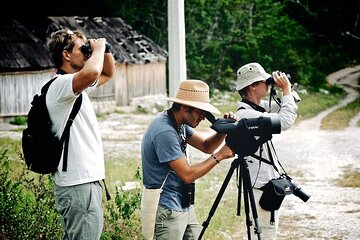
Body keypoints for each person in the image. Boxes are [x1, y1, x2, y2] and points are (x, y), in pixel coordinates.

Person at [141, 79, 235, 240]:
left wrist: (223, 131)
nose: (204, 117)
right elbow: (187, 174)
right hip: (167, 208)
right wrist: (220, 155)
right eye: (201, 112)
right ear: (185, 108)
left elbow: (206, 146)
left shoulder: (179, 124)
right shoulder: (165, 131)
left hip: (182, 203)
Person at [46, 28, 116, 239]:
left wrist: (106, 49)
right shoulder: (61, 85)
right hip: (78, 183)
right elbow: (94, 72)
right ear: (66, 55)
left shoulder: (76, 86)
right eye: (82, 48)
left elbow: (107, 73)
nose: (87, 53)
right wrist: (99, 47)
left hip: (82, 182)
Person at [234, 62, 299, 239]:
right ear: (253, 86)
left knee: (268, 233)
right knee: (264, 235)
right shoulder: (246, 115)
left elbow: (290, 105)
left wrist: (287, 87)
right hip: (259, 187)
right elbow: (285, 121)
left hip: (265, 184)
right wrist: (285, 88)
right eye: (265, 81)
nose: (268, 84)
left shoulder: (258, 107)